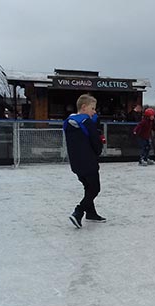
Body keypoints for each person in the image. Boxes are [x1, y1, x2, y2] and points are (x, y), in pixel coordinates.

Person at [63, 94, 106, 229]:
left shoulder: (68, 122)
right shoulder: (86, 122)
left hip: (76, 163)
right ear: (84, 107)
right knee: (95, 188)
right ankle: (78, 212)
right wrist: (99, 146)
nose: (94, 112)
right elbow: (96, 143)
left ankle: (91, 213)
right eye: (92, 108)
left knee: (88, 187)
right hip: (89, 162)